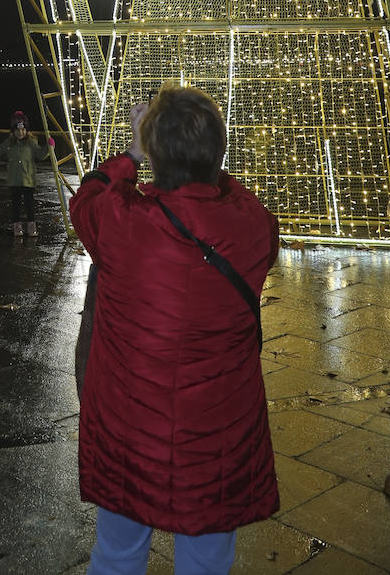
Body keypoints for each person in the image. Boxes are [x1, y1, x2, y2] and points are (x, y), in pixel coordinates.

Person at [70, 85, 279, 575]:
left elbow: (86, 198)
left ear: (156, 153)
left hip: (129, 429)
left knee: (117, 557)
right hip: (217, 436)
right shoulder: (252, 226)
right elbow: (238, 200)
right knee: (207, 564)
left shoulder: (123, 222)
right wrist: (198, 154)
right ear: (217, 151)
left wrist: (133, 153)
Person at [0, 110, 48, 236]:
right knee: (16, 205)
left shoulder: (31, 143)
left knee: (30, 204)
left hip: (28, 180)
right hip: (14, 180)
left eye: (23, 130)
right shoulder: (9, 143)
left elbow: (41, 155)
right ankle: (17, 226)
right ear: (13, 131)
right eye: (17, 130)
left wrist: (49, 147)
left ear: (26, 130)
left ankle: (31, 225)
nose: (20, 133)